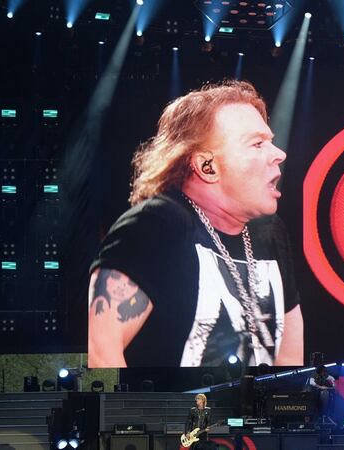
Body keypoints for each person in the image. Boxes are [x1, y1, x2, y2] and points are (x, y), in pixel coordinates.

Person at [88, 80, 303, 367]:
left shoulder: (269, 231)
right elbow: (101, 351)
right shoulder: (156, 225)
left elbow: (289, 357)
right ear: (207, 167)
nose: (278, 153)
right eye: (257, 143)